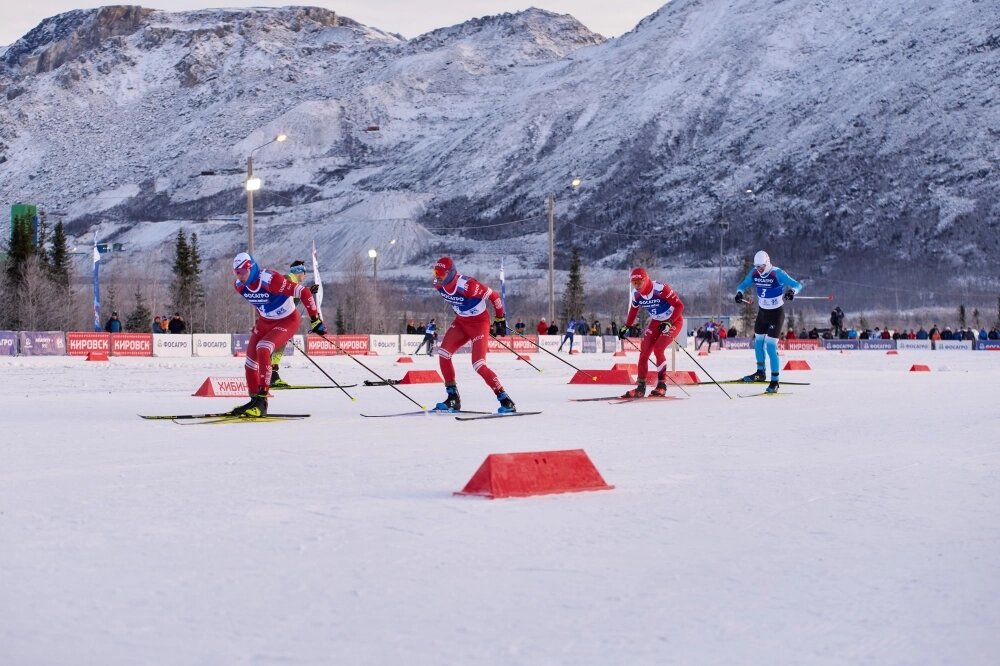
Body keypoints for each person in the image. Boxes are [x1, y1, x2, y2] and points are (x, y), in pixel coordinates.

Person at [230, 252, 325, 417]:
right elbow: (260, 301)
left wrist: (315, 320)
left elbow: (304, 293)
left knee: (263, 348)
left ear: (251, 268)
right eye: (236, 272)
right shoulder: (239, 286)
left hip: (287, 320)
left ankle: (262, 401)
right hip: (266, 322)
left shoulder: (270, 280)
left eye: (243, 271)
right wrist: (260, 319)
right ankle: (254, 401)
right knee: (250, 363)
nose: (240, 276)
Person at [430, 256, 515, 413]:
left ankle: (505, 400)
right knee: (443, 353)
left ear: (450, 273)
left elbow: (494, 295)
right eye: (435, 271)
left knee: (478, 364)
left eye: (440, 272)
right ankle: (453, 398)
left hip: (479, 324)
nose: (437, 276)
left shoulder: (467, 286)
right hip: (461, 323)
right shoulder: (437, 285)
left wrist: (500, 319)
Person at [733, 250, 803, 394]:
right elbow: (742, 285)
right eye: (757, 267)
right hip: (762, 313)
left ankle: (775, 381)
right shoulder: (754, 273)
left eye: (761, 267)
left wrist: (792, 292)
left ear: (767, 263)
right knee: (758, 343)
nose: (759, 270)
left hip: (776, 314)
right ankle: (760, 372)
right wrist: (739, 294)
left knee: (770, 347)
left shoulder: (777, 273)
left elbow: (797, 284)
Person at [617, 267, 684, 398]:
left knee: (658, 350)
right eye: (634, 283)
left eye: (639, 283)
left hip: (674, 321)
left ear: (645, 280)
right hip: (656, 321)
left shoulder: (660, 288)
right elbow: (633, 311)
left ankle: (661, 386)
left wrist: (669, 322)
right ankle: (640, 388)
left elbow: (680, 306)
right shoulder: (636, 295)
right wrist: (626, 327)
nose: (637, 286)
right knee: (644, 353)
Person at [269, 260, 317, 388]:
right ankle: (270, 376)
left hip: (280, 318)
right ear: (299, 271)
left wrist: (308, 291)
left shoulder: (294, 283)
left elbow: (294, 296)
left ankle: (272, 375)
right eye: (304, 273)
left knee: (279, 346)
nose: (305, 276)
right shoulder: (288, 279)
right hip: (277, 318)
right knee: (276, 346)